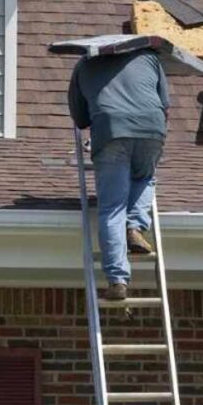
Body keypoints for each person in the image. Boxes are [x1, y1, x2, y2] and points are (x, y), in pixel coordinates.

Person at [68, 48, 170, 301]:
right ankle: (135, 226)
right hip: (151, 126)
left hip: (111, 129)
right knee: (144, 177)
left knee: (113, 208)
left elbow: (80, 119)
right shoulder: (148, 57)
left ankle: (117, 280)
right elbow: (165, 104)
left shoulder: (85, 63)